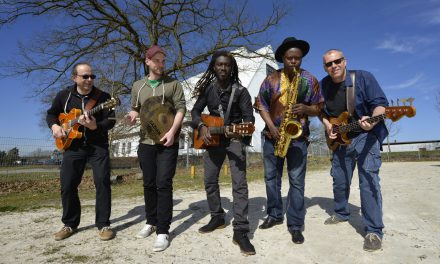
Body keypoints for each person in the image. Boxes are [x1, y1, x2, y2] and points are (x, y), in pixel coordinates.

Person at [254, 37, 324, 244]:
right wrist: (273, 127)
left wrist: (307, 109)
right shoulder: (270, 79)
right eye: (289, 58)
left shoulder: (309, 80)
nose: (294, 61)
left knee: (297, 182)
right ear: (282, 58)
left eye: (298, 58)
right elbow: (261, 105)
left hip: (298, 138)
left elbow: (319, 107)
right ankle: (274, 214)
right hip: (272, 136)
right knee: (271, 179)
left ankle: (295, 224)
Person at [320, 49, 388, 252]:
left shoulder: (363, 77)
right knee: (339, 180)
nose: (334, 66)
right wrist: (328, 126)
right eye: (329, 64)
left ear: (345, 61)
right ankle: (341, 213)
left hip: (366, 136)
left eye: (337, 61)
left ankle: (374, 230)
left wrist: (372, 120)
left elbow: (381, 107)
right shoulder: (323, 84)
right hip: (341, 140)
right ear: (325, 67)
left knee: (368, 181)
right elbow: (320, 111)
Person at [191, 51, 256, 255]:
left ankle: (241, 231)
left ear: (232, 67)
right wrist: (201, 126)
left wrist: (239, 130)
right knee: (210, 180)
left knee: (239, 184)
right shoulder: (207, 90)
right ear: (213, 67)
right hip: (212, 140)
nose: (223, 68)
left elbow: (249, 121)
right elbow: (194, 112)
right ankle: (217, 216)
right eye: (219, 65)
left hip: (234, 138)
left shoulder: (242, 92)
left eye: (227, 65)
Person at [126, 45, 186, 252]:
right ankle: (150, 222)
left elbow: (181, 109)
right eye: (157, 61)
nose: (161, 64)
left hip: (168, 142)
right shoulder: (137, 86)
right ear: (148, 61)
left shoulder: (173, 84)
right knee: (149, 184)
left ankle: (163, 231)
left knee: (163, 183)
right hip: (145, 143)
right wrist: (132, 114)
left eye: (163, 61)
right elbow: (135, 108)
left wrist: (172, 132)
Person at [47, 62, 116, 241]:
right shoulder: (64, 95)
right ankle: (69, 224)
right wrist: (55, 126)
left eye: (92, 76)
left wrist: (95, 125)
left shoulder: (104, 97)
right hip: (73, 147)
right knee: (68, 185)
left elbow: (111, 121)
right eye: (85, 76)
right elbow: (51, 114)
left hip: (98, 146)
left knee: (102, 182)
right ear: (75, 78)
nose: (89, 79)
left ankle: (103, 225)